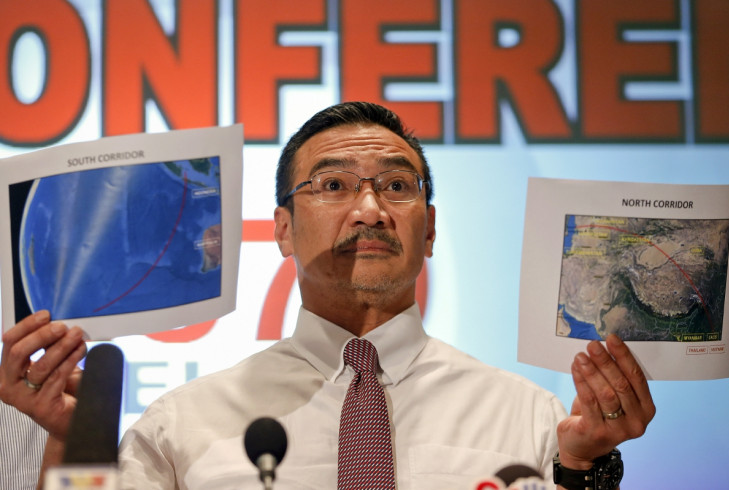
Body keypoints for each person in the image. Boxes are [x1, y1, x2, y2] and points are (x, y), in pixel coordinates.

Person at [0, 102, 655, 489]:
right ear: (281, 229)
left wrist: (582, 463)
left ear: (430, 232)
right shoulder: (179, 428)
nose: (369, 209)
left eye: (397, 187)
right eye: (334, 186)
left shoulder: (535, 420)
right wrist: (69, 440)